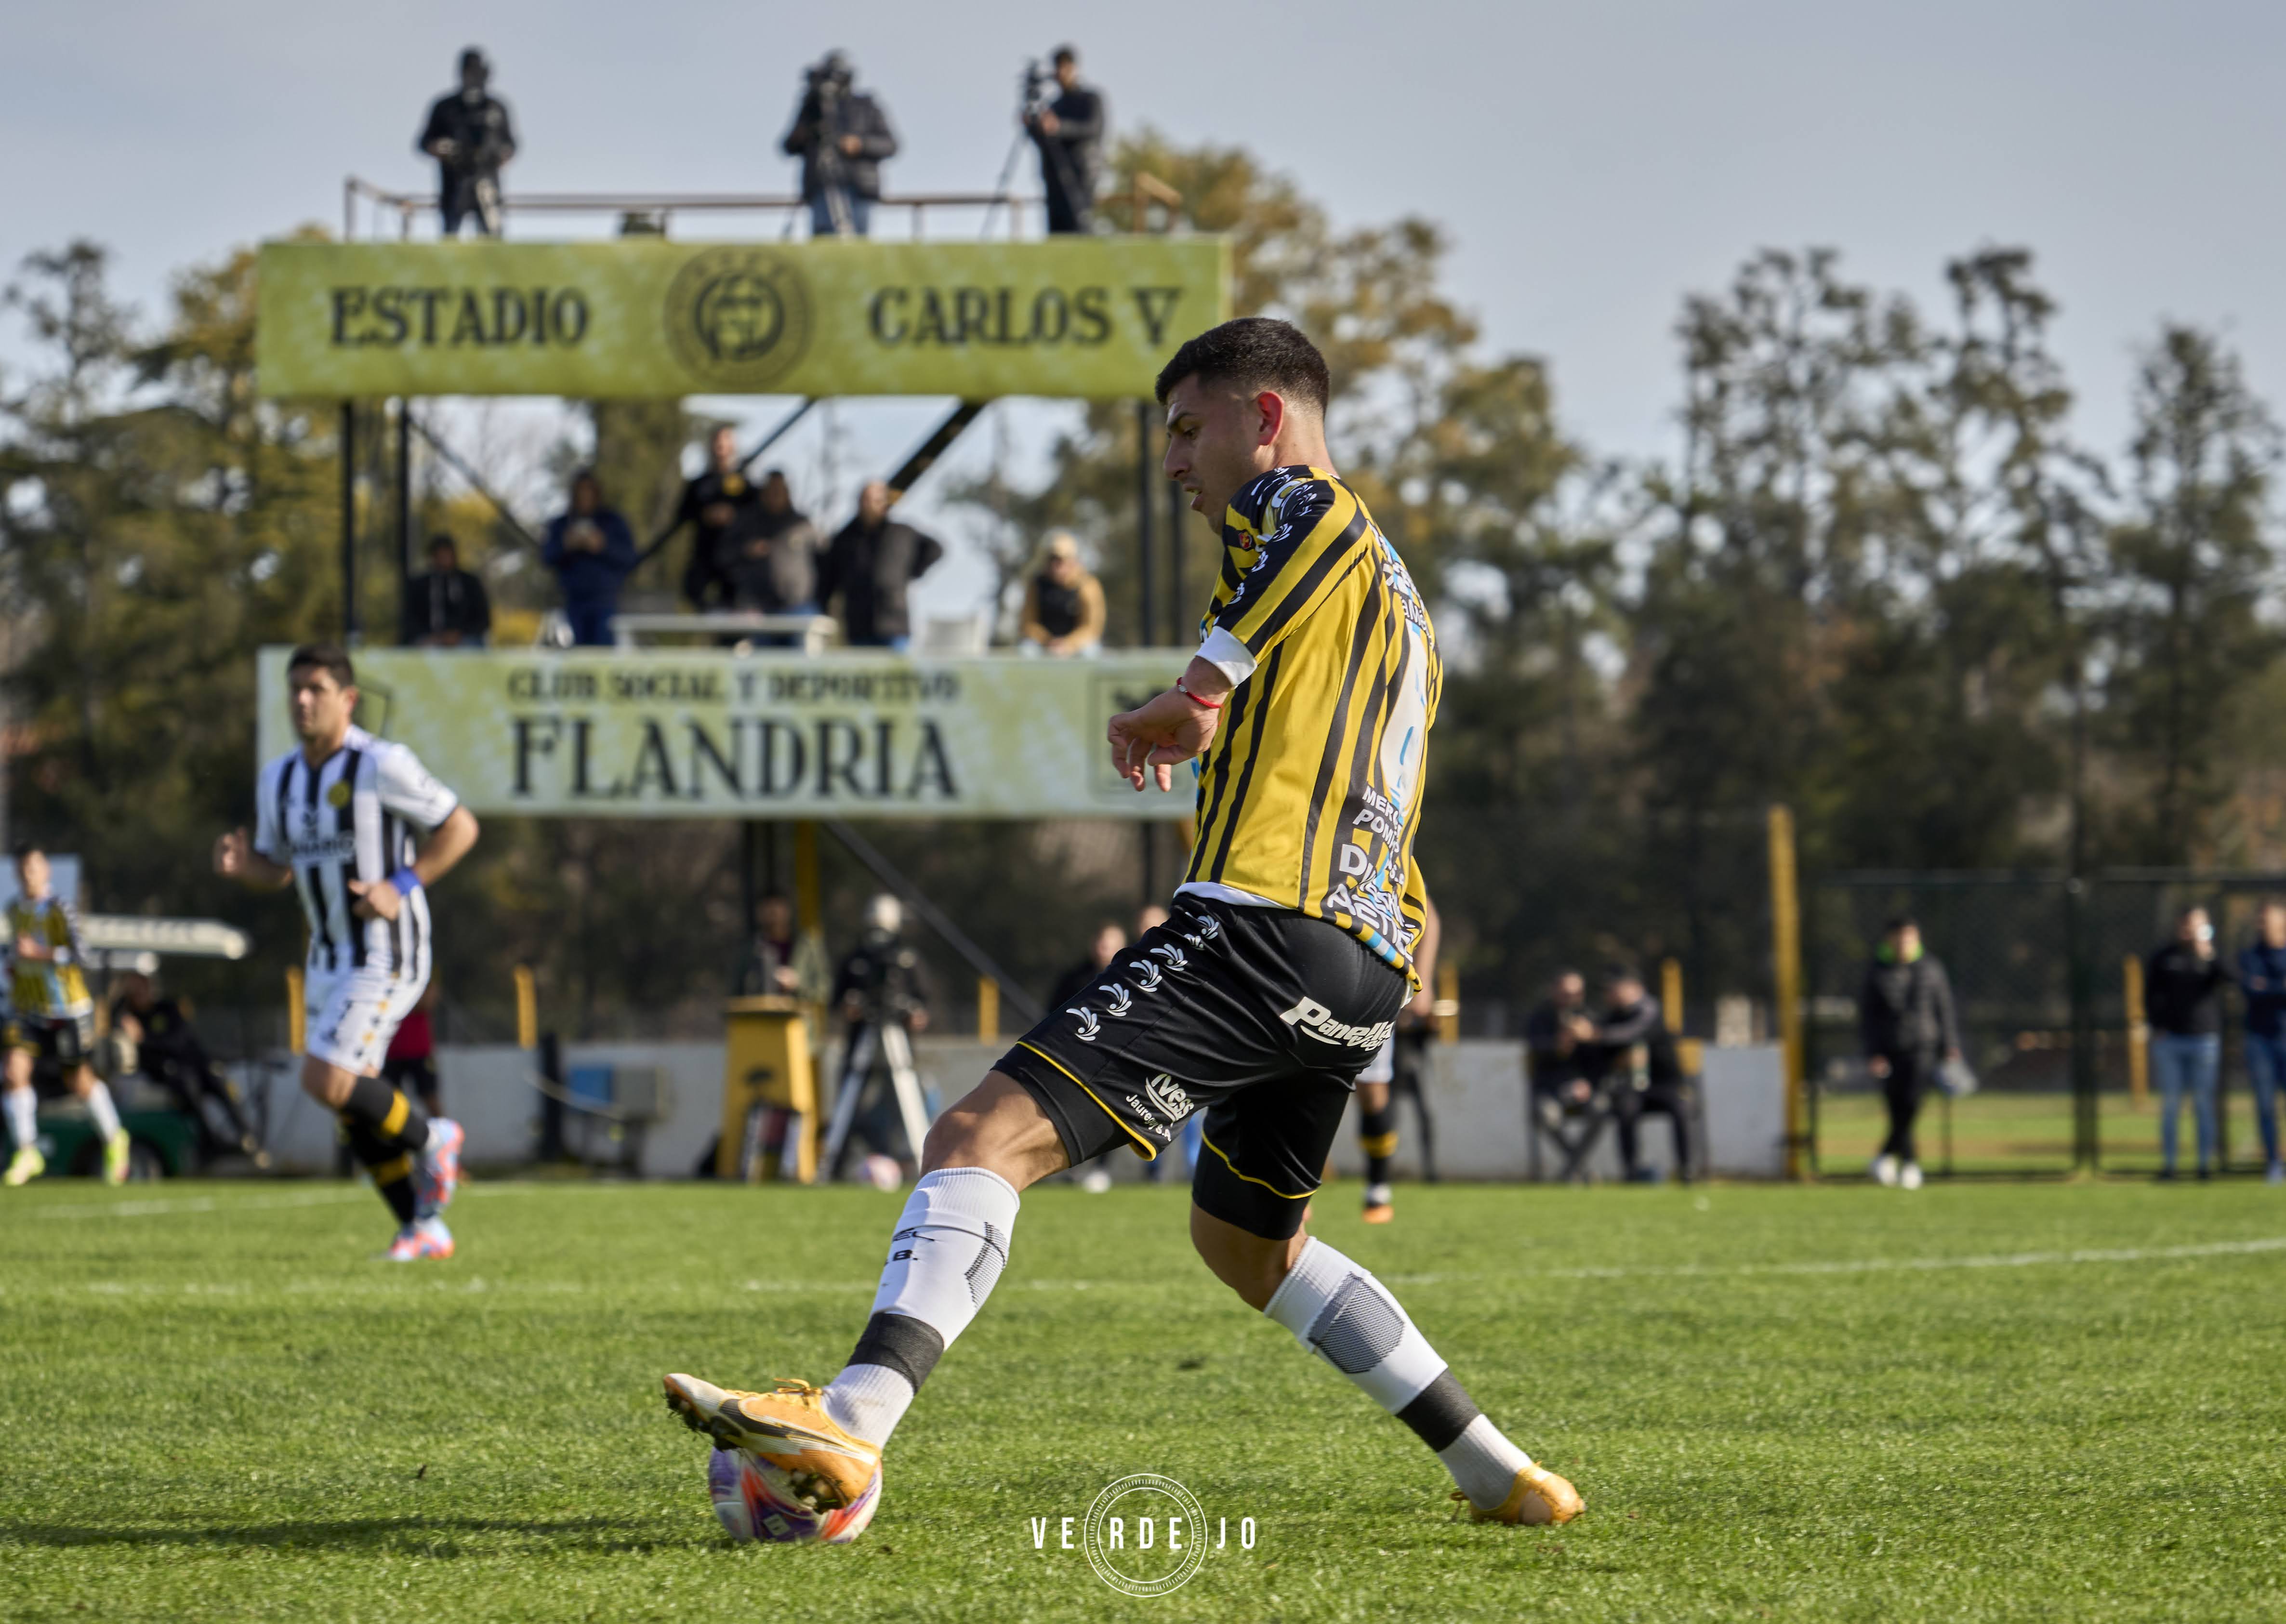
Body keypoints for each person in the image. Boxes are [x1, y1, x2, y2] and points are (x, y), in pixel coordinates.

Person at [660, 317, 1582, 1536]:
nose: (1172, 463)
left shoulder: (1302, 506)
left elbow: (1291, 532)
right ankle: (1496, 1468)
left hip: (1259, 925)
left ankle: (853, 1416)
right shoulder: (1399, 605)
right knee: (1248, 1248)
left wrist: (1197, 691)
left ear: (1264, 417)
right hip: (1359, 964)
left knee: (977, 1135)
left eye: (1186, 429)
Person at [213, 643, 479, 1259]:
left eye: (316, 689)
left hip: (387, 951)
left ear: (348, 699)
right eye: (295, 690)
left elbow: (460, 827)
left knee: (326, 1077)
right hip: (327, 958)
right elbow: (278, 869)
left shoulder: (382, 764)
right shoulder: (277, 777)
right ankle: (422, 1226)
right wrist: (244, 866)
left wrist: (400, 884)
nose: (302, 701)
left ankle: (435, 1134)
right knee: (351, 1103)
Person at [4, 844, 130, 1186]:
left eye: (33, 867)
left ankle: (115, 1138)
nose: (27, 874)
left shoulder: (60, 909)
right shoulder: (14, 910)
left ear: (46, 871)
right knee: (14, 1071)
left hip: (68, 1011)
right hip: (28, 1010)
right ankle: (28, 1150)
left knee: (79, 1081)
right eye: (22, 868)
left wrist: (42, 954)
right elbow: (15, 957)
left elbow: (83, 956)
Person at [108, 971, 264, 1166]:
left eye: (143, 987)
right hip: (163, 1074)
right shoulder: (128, 1015)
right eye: (135, 990)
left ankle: (246, 1137)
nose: (141, 993)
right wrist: (122, 997)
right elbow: (113, 1019)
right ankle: (209, 1142)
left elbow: (178, 1042)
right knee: (188, 1085)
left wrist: (144, 1039)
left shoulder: (167, 1009)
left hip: (192, 1065)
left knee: (217, 1080)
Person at [826, 895, 933, 1179]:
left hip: (900, 1047)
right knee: (851, 1105)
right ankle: (837, 1166)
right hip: (861, 1042)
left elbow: (924, 1001)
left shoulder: (907, 960)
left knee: (907, 1104)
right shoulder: (855, 959)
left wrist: (916, 1013)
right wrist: (849, 1007)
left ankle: (914, 1164)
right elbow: (837, 1000)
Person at [1858, 916, 1961, 1190]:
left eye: (1910, 936)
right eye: (1900, 937)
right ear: (1889, 940)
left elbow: (1944, 1007)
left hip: (1923, 1047)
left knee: (1912, 1104)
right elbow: (1869, 1017)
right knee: (1896, 1108)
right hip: (1889, 1049)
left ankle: (1891, 1159)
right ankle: (1907, 1164)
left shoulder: (1930, 968)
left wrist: (1950, 1044)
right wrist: (1873, 1053)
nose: (1905, 942)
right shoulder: (1877, 971)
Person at [1355, 896, 1441, 1221]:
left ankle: (1378, 1185)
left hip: (1375, 985)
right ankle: (1290, 1192)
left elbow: (1427, 914)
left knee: (1372, 1092)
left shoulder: (1389, 846)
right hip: (1311, 977)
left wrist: (1425, 980)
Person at [2146, 905, 2231, 1181]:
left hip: (2204, 1040)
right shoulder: (2164, 957)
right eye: (2184, 925)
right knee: (2171, 1104)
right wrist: (2157, 1027)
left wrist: (2208, 954)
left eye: (2194, 925)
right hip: (2170, 1040)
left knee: (2203, 1104)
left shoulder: (2210, 956)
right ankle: (2169, 1165)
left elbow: (2232, 978)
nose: (2188, 930)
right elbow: (2150, 995)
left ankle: (2204, 1165)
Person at [1589, 965, 1691, 1184]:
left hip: (1664, 1084)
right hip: (1633, 1088)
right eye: (1608, 990)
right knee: (1625, 1110)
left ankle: (1686, 1169)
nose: (1611, 994)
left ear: (1635, 988)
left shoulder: (1650, 1010)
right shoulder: (1611, 1017)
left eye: (1615, 989)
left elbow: (1634, 1033)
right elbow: (1600, 1056)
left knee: (1680, 1109)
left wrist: (1597, 1035)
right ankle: (1630, 1171)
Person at [1049, 920, 1129, 1195]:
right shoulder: (1075, 979)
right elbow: (1052, 1015)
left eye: (1110, 943)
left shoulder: (1133, 976)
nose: (1103, 948)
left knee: (1109, 1115)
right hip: (1076, 1059)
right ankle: (1071, 1167)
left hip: (1116, 1061)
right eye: (1100, 942)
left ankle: (1101, 1170)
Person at [781, 52, 898, 238]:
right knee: (825, 241)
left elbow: (891, 145)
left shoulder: (866, 106)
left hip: (858, 187)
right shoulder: (812, 108)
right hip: (821, 186)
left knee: (858, 244)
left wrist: (860, 145)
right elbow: (788, 147)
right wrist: (807, 128)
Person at [818, 481, 942, 650]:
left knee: (897, 676)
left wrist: (911, 573)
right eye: (865, 500)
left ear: (884, 503)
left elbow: (935, 549)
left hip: (894, 622)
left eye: (875, 500)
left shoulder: (901, 532)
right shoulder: (845, 539)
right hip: (858, 624)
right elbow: (829, 576)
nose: (869, 505)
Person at [417, 48, 516, 238]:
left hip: (488, 183)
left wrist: (501, 155)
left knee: (492, 236)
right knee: (451, 234)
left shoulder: (496, 108)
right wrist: (441, 149)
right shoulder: (444, 108)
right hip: (454, 184)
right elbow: (424, 143)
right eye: (470, 72)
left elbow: (511, 145)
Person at [542, 471, 638, 647]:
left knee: (602, 655)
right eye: (580, 492)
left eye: (589, 491)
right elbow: (547, 557)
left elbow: (630, 558)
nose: (584, 496)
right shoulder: (562, 524)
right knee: (573, 657)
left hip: (607, 602)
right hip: (572, 602)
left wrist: (603, 546)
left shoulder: (613, 522)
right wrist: (567, 545)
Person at [668, 428, 760, 611]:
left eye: (726, 441)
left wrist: (734, 515)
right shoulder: (699, 484)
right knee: (695, 595)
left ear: (733, 446)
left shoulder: (746, 484)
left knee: (737, 608)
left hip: (736, 560)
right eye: (717, 441)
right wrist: (705, 514)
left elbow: (757, 513)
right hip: (705, 556)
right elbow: (682, 513)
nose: (721, 446)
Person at [1024, 46, 1106, 235]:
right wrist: (1032, 128)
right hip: (1054, 179)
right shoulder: (1055, 106)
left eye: (1065, 67)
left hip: (1082, 175)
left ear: (1075, 68)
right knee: (1057, 231)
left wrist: (1059, 127)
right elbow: (1045, 145)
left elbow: (1092, 128)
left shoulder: (1091, 100)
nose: (1061, 73)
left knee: (1079, 226)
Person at [727, 471, 823, 622]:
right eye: (771, 491)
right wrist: (746, 550)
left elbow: (826, 559)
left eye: (779, 491)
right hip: (757, 611)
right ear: (763, 494)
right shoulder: (747, 523)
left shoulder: (803, 524)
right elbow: (724, 556)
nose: (775, 495)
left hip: (799, 608)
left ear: (787, 493)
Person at [2236, 900, 2286, 1185]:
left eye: (2269, 920)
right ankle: (2273, 1162)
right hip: (2260, 1040)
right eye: (2261, 920)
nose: (2264, 926)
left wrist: (2268, 987)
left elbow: (2263, 989)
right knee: (2266, 1105)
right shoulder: (2250, 956)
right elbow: (2251, 991)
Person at [1018, 532, 1106, 656]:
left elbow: (1092, 627)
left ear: (1073, 561)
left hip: (1077, 643)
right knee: (1026, 651)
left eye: (1061, 560)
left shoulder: (1087, 585)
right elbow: (1028, 623)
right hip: (1045, 643)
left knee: (1090, 652)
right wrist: (1048, 641)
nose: (1056, 565)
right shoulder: (1037, 585)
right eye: (1052, 559)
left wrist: (1068, 644)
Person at [734, 892, 830, 1004]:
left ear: (788, 911)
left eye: (778, 907)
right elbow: (736, 993)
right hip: (761, 1019)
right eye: (768, 908)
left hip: (798, 1019)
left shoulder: (806, 947)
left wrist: (797, 984)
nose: (773, 914)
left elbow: (824, 990)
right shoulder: (751, 950)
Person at [401, 536, 491, 647]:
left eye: (446, 555)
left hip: (465, 639)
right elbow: (410, 620)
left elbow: (483, 620)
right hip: (429, 640)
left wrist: (458, 634)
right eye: (439, 555)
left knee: (469, 648)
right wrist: (433, 637)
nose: (443, 559)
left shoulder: (470, 583)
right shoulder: (419, 585)